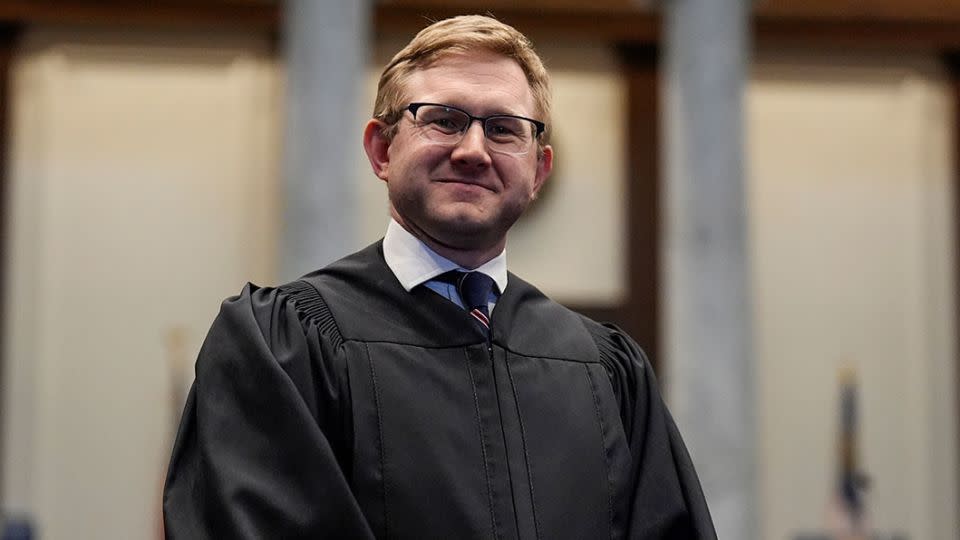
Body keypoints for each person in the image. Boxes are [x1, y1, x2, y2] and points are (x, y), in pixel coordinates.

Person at [163, 14, 716, 540]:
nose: (473, 150)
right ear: (381, 149)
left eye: (504, 129)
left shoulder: (606, 371)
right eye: (444, 120)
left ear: (538, 170)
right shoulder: (284, 343)